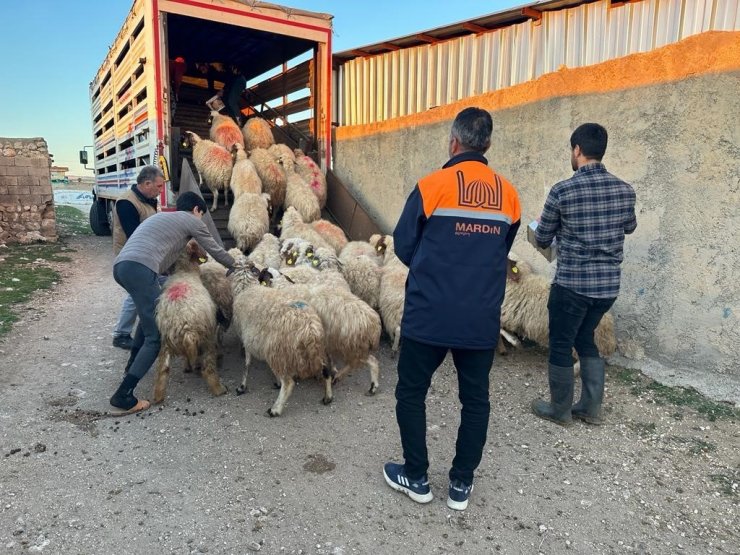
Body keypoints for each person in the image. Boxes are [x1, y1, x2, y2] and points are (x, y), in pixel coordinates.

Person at [383, 107, 521, 511]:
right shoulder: (509, 195)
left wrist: (434, 269)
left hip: (429, 313)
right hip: (479, 318)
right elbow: (502, 248)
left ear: (453, 141)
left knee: (411, 392)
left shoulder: (431, 186)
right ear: (488, 145)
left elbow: (404, 245)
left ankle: (416, 476)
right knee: (475, 400)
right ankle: (461, 484)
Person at [531, 123, 637, 426]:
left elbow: (543, 238)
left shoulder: (563, 190)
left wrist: (541, 227)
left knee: (561, 343)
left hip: (572, 285)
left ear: (577, 150)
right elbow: (629, 227)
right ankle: (591, 408)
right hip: (606, 288)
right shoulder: (624, 190)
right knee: (585, 337)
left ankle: (560, 410)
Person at [108, 192, 237, 414]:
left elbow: (165, 256)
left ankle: (131, 366)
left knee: (150, 316)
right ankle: (124, 395)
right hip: (140, 269)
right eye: (201, 215)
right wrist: (236, 265)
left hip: (122, 266)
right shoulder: (189, 220)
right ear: (197, 210)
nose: (200, 220)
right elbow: (214, 249)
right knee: (156, 337)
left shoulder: (163, 218)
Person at [111, 166, 164, 350]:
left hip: (146, 256)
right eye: (158, 186)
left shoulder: (149, 200)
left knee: (138, 294)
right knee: (136, 295)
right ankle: (121, 334)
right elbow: (133, 234)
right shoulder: (127, 203)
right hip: (132, 257)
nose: (160, 190)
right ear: (147, 183)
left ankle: (127, 332)